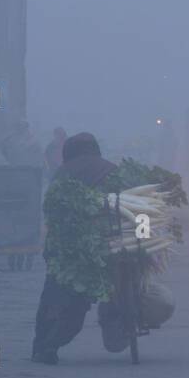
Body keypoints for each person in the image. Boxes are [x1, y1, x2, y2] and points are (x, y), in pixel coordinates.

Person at [32, 132, 129, 364]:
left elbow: (51, 213)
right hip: (109, 243)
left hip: (67, 248)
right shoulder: (112, 169)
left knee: (58, 297)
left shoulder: (62, 174)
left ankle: (44, 346)